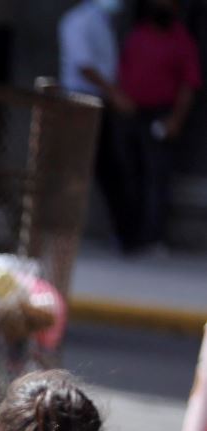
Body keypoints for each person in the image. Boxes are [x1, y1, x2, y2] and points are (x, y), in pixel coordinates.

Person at [117, 0, 202, 252]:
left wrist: (175, 119)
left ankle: (153, 239)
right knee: (130, 175)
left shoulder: (181, 40)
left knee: (157, 178)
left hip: (161, 117)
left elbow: (190, 84)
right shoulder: (138, 34)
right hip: (132, 114)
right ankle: (129, 237)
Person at [59, 0, 140, 250]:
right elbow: (84, 65)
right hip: (80, 101)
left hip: (99, 102)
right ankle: (59, 230)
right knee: (74, 169)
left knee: (110, 169)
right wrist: (114, 94)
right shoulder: (78, 21)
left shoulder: (102, 23)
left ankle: (125, 235)